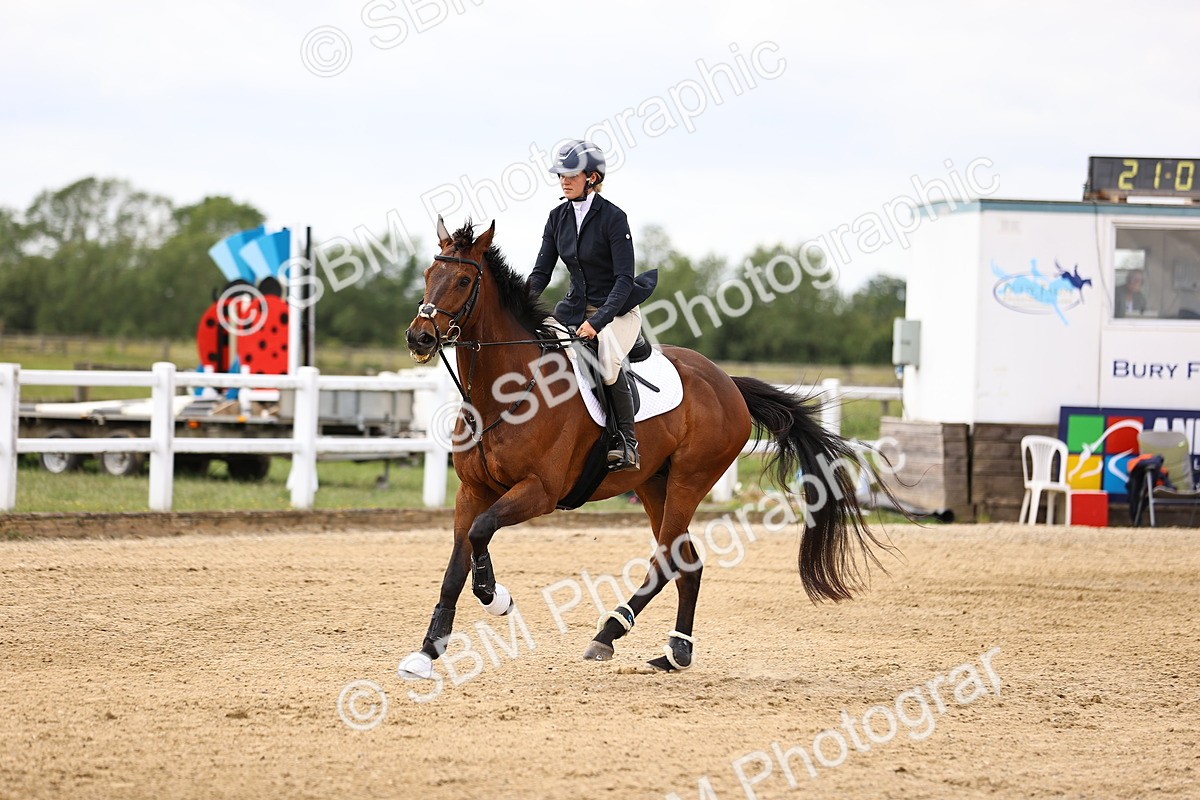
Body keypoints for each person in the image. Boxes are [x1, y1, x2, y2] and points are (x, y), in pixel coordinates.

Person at [528, 140, 657, 471]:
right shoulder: (556, 218)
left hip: (617, 311)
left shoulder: (614, 218)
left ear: (592, 177)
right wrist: (519, 308)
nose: (564, 181)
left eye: (571, 175)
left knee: (607, 362)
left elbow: (624, 280)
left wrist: (597, 323)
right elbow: (541, 273)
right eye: (561, 175)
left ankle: (626, 442)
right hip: (573, 309)